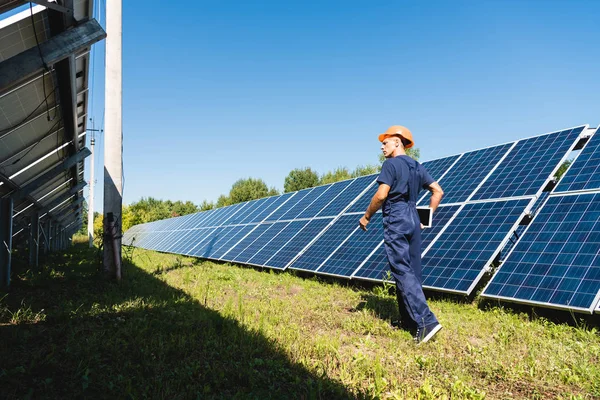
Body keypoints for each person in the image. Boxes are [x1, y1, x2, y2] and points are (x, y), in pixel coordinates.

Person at [359, 125, 444, 344]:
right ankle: (409, 321)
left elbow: (381, 195)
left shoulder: (391, 164)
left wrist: (367, 216)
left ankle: (427, 322)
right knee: (412, 271)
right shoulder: (417, 166)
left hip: (396, 217)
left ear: (397, 142)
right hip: (414, 218)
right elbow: (438, 191)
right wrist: (427, 216)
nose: (382, 146)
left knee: (401, 269)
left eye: (385, 142)